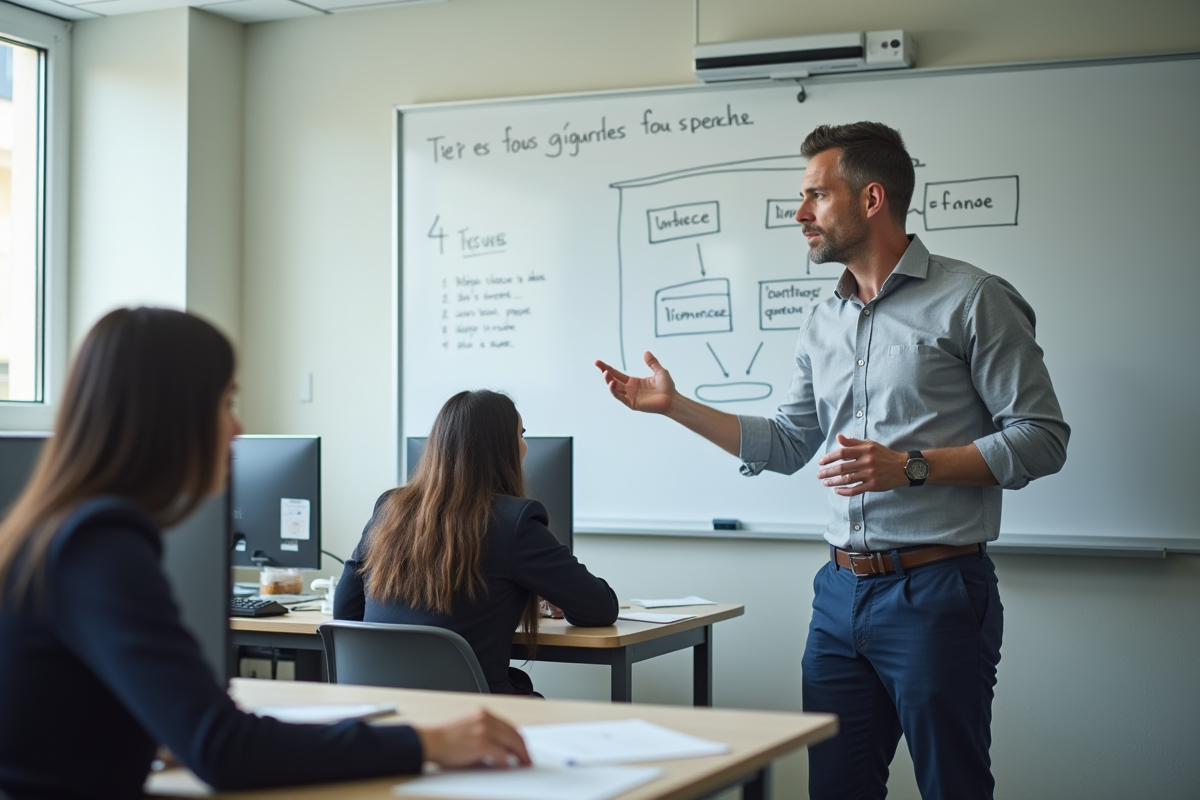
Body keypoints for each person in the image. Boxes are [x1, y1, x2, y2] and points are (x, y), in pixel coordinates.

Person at [596, 122, 1069, 800]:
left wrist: (911, 466)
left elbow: (1042, 438)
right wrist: (676, 406)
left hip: (937, 593)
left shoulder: (974, 299)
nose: (800, 214)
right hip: (839, 596)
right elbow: (790, 442)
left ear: (871, 199)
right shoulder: (822, 318)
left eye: (816, 196)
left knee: (953, 787)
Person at [0, 308, 530, 800]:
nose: (238, 429)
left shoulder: (54, 532)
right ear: (167, 415)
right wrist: (429, 743)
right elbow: (223, 747)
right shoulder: (99, 546)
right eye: (225, 402)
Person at [335, 389, 618, 696]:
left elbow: (346, 611)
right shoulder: (515, 520)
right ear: (503, 448)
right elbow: (600, 608)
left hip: (386, 714)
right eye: (520, 434)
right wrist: (559, 596)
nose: (526, 445)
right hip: (475, 718)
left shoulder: (390, 508)